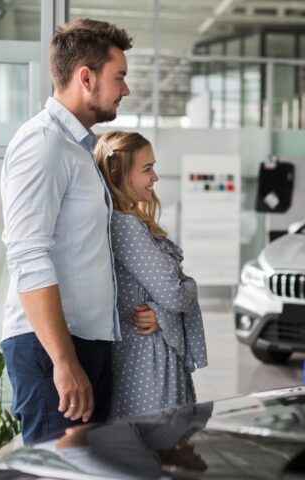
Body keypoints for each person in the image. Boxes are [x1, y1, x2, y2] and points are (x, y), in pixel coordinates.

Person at [0, 19, 134, 443]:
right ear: (86, 77)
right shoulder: (42, 144)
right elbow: (27, 255)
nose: (125, 90)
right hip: (54, 346)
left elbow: (84, 252)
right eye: (120, 78)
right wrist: (64, 360)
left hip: (84, 341)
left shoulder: (77, 148)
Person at [95, 131, 207, 419]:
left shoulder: (126, 223)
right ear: (120, 175)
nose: (155, 177)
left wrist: (162, 315)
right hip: (147, 365)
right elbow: (176, 294)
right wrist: (191, 286)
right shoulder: (126, 227)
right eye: (147, 169)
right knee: (156, 446)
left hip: (147, 359)